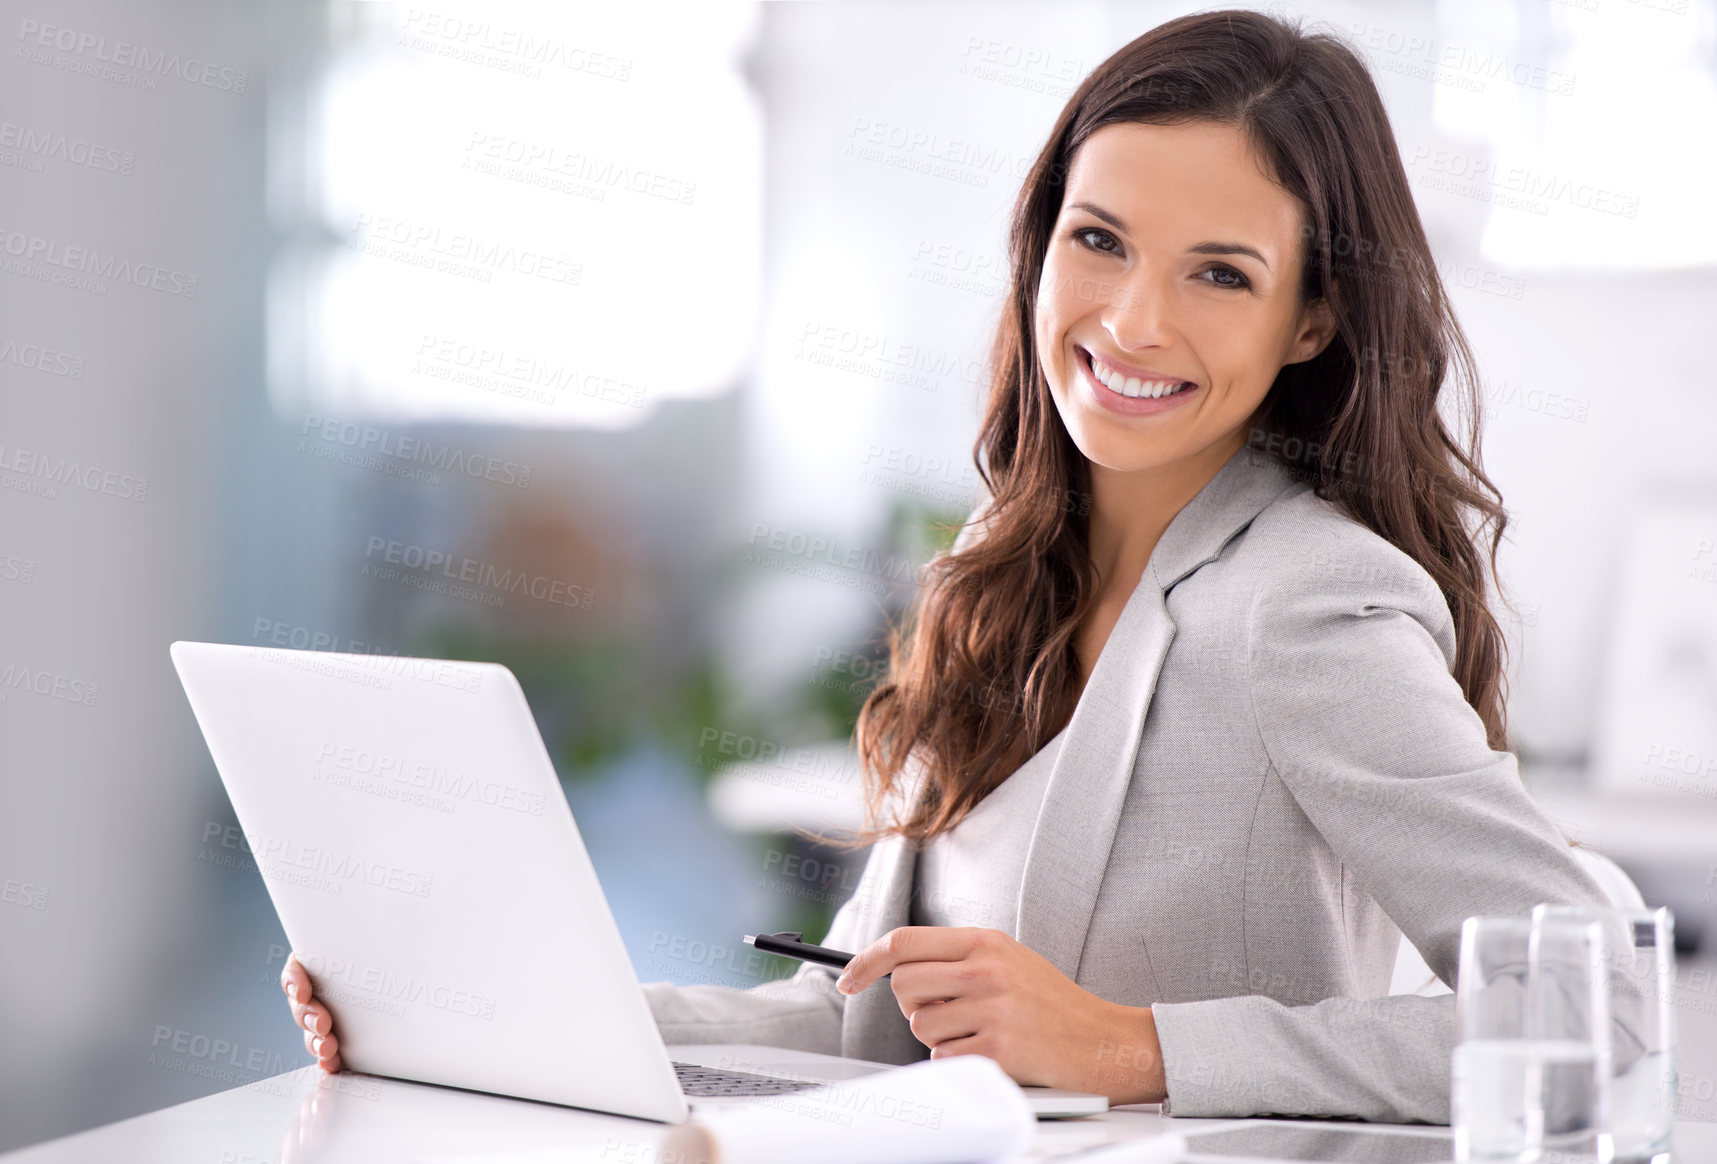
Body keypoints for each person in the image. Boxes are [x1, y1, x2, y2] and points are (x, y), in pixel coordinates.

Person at [280, 9, 1614, 1122]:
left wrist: (1127, 1047)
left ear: (1310, 317)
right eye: (1098, 240)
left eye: (1217, 272)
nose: (1132, 321)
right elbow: (859, 1016)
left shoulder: (1307, 602)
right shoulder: (995, 570)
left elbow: (1590, 1013)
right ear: (1037, 245)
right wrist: (500, 1023)